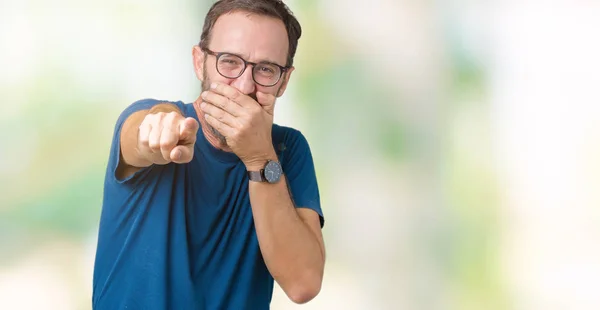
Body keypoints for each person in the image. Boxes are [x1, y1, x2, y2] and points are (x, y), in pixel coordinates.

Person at [91, 0, 326, 309]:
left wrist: (259, 158)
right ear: (199, 62)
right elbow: (143, 129)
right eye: (229, 62)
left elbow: (303, 284)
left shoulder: (288, 149)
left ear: (284, 81)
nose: (244, 86)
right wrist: (159, 130)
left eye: (265, 69)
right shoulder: (155, 119)